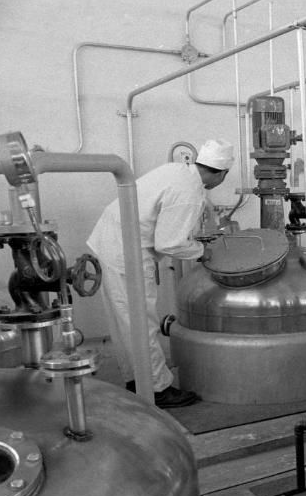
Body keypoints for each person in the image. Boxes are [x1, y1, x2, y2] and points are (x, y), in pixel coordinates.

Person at [87, 139, 234, 408]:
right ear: (222, 173)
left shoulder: (177, 170)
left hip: (113, 240)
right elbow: (169, 243)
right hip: (125, 250)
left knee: (125, 321)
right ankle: (158, 389)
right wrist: (202, 251)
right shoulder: (189, 191)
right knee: (141, 321)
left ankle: (137, 381)